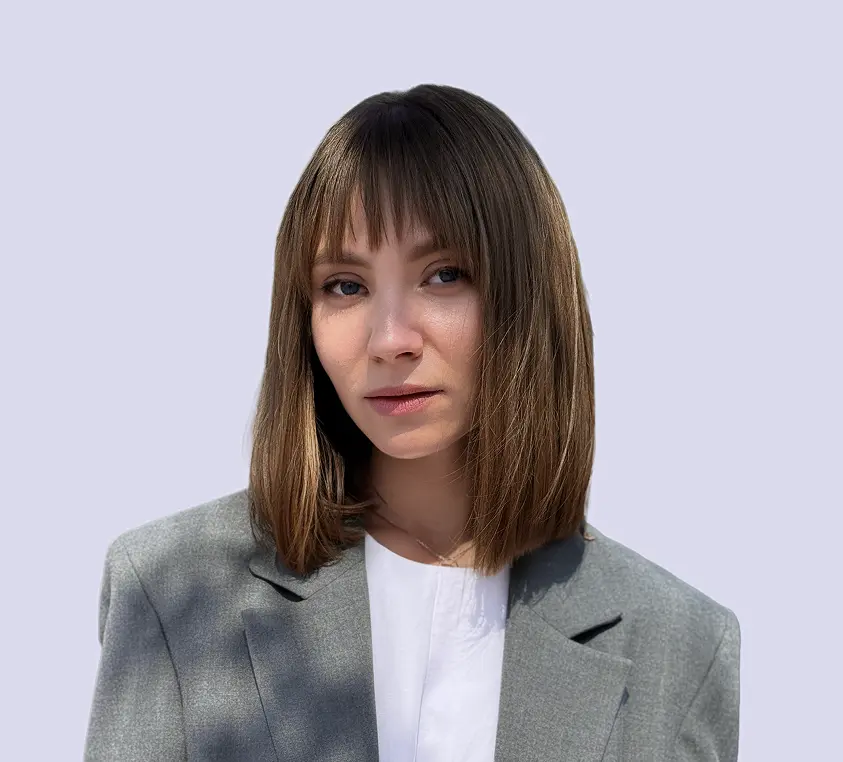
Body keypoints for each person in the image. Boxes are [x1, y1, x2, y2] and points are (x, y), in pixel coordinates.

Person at [83, 83, 740, 762]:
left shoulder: (680, 645)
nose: (390, 339)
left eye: (444, 275)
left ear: (531, 293)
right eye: (345, 286)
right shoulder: (168, 586)